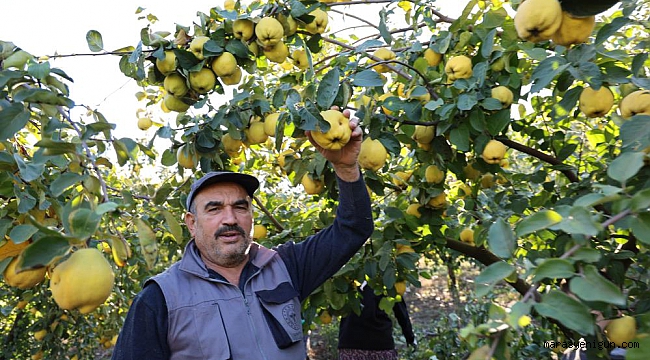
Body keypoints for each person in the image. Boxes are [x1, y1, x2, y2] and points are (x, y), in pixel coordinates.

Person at [111, 109, 374, 360]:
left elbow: (353, 229)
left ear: (251, 215)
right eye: (214, 209)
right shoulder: (160, 298)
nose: (230, 219)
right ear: (191, 223)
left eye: (240, 207)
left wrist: (346, 168)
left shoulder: (286, 267)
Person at [338, 281, 416, 360]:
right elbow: (401, 312)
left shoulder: (346, 276)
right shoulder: (386, 279)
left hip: (350, 342)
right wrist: (410, 337)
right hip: (381, 343)